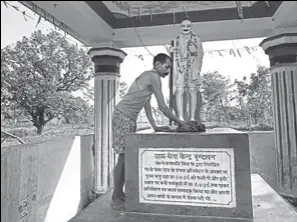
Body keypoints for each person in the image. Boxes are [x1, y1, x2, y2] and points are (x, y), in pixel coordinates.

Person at [111, 53, 190, 210]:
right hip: (123, 116)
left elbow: (146, 105)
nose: (168, 71)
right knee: (123, 157)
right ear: (158, 64)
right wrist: (181, 123)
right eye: (167, 67)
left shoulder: (150, 79)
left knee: (125, 157)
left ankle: (119, 194)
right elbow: (162, 106)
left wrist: (155, 127)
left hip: (128, 118)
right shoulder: (153, 76)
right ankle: (115, 197)